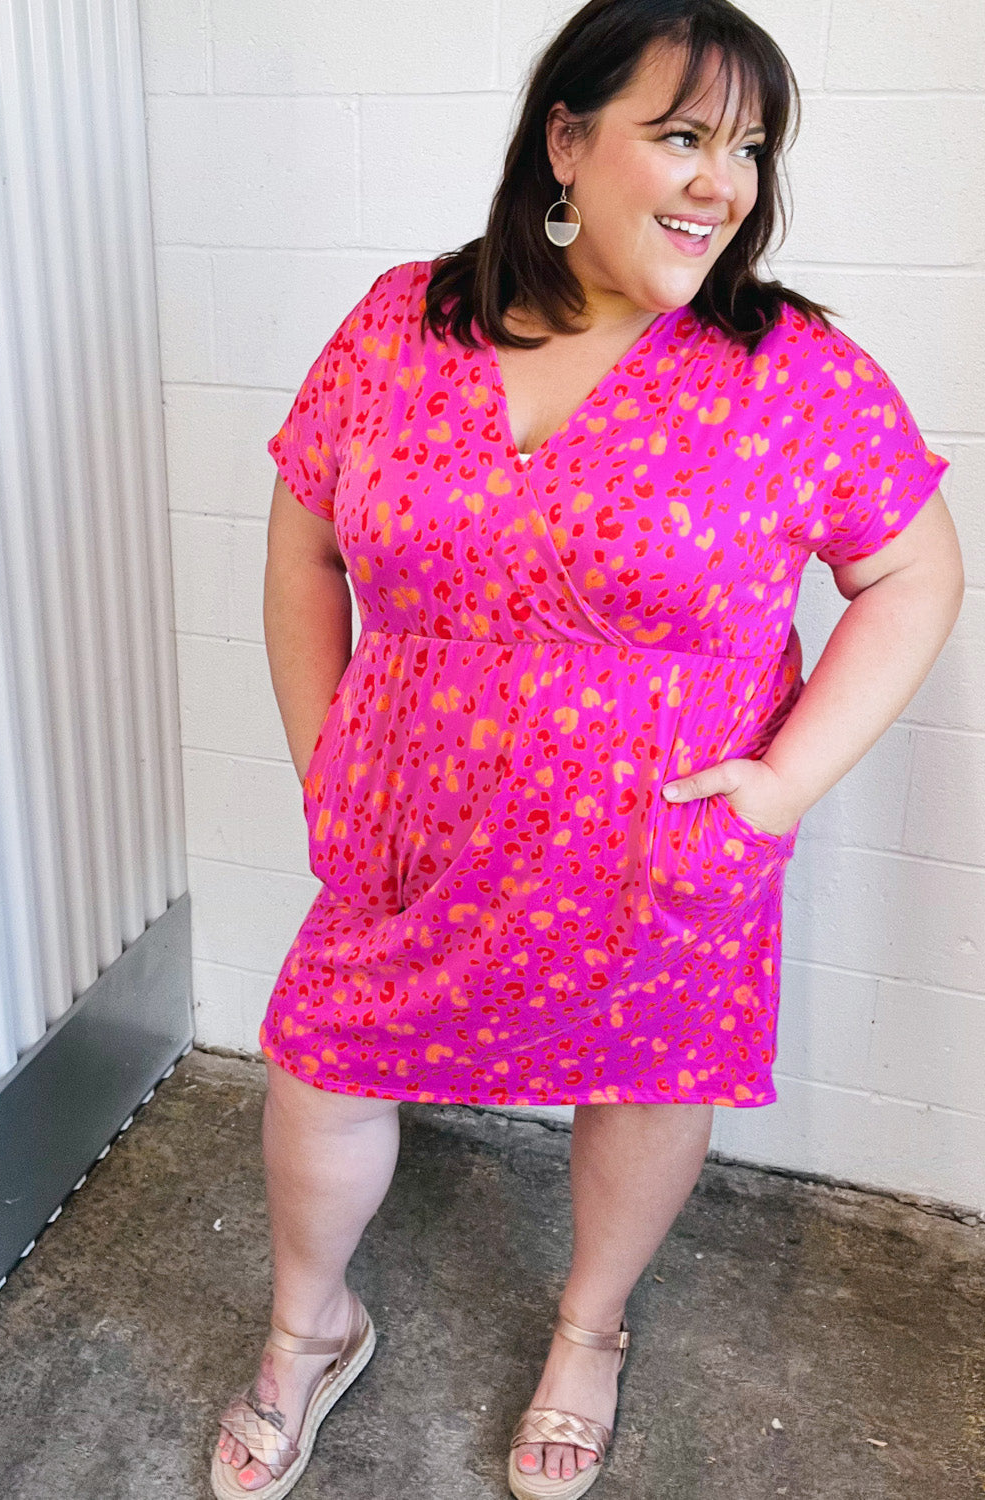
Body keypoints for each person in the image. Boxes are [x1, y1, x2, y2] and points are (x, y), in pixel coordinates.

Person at [211, 1, 964, 1496]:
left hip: (661, 841)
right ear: (567, 140)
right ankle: (309, 1327)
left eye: (749, 148)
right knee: (326, 1059)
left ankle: (589, 1333)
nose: (722, 183)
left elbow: (915, 573)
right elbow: (305, 548)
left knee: (646, 1075)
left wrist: (782, 788)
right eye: (682, 136)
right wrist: (322, 755)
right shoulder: (401, 323)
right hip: (408, 824)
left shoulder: (790, 367)